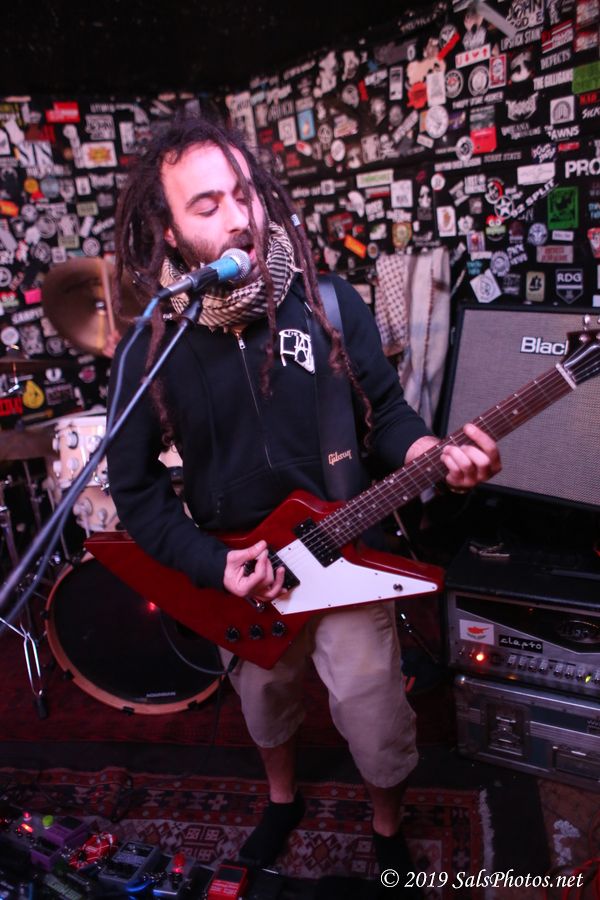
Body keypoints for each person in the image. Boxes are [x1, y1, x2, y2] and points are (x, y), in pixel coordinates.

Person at [107, 115, 501, 891]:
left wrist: (430, 452)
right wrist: (212, 564)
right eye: (207, 204)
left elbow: (387, 416)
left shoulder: (326, 302)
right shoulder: (152, 348)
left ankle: (386, 829)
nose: (238, 217)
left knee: (377, 719)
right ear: (171, 231)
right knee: (267, 710)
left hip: (346, 553)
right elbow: (135, 491)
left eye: (245, 193)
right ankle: (282, 799)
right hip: (246, 578)